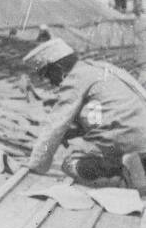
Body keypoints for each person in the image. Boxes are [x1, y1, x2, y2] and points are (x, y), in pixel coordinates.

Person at [23, 38, 146, 183]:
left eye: (47, 75)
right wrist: (75, 131)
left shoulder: (75, 79)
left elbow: (55, 125)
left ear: (59, 69)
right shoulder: (100, 68)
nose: (49, 82)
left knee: (70, 163)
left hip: (128, 142)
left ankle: (122, 173)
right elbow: (107, 114)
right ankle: (135, 165)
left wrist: (36, 165)